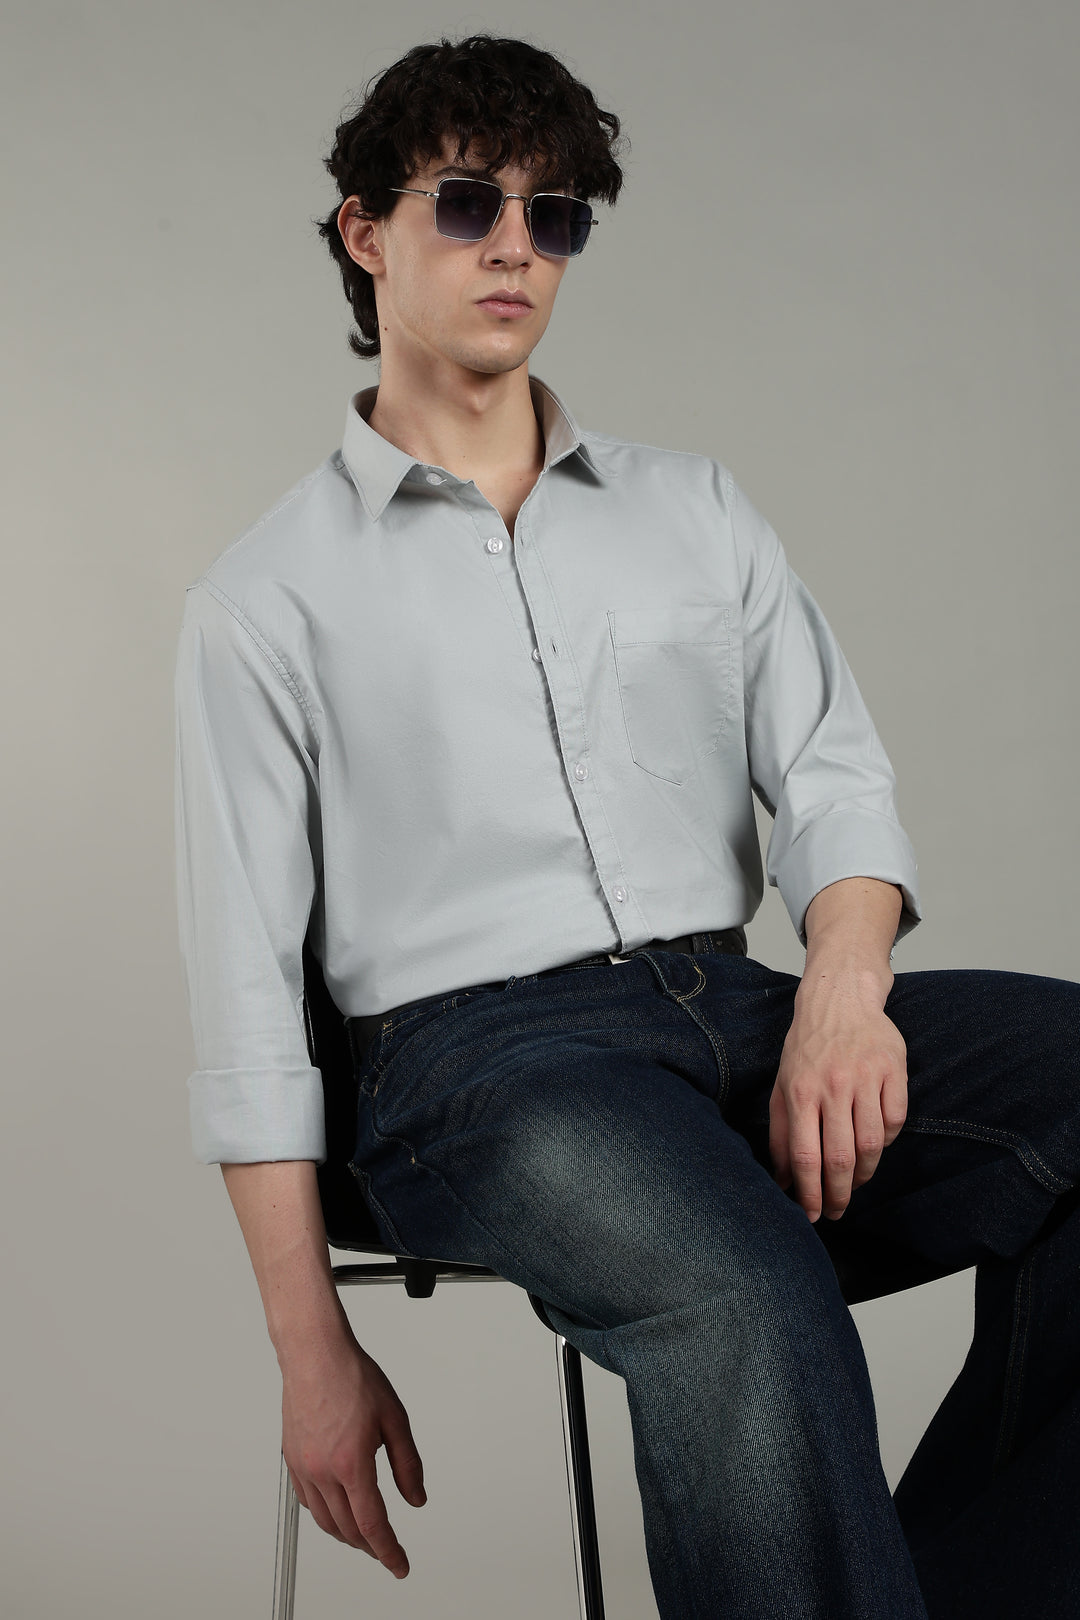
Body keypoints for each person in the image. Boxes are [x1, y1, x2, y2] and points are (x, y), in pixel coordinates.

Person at [173, 33, 1080, 1620]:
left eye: (556, 210)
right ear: (364, 231)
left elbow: (837, 782)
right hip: (471, 1074)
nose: (516, 241)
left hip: (733, 1014)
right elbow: (247, 993)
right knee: (743, 1293)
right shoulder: (266, 600)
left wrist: (844, 995)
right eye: (467, 202)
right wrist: (309, 1346)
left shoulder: (694, 512)